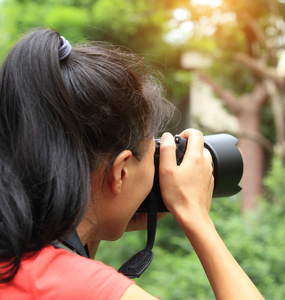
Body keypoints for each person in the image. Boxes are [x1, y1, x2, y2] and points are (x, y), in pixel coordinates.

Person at [0, 28, 264, 300]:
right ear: (121, 172)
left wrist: (99, 220)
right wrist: (195, 215)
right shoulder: (87, 289)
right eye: (154, 157)